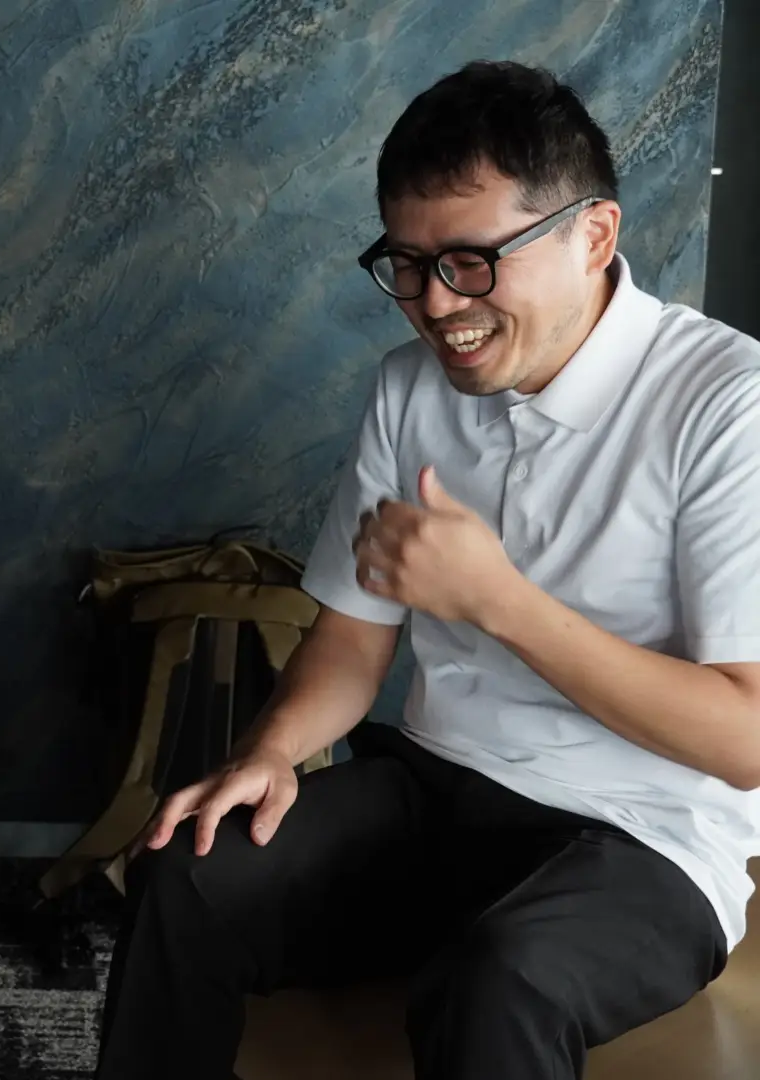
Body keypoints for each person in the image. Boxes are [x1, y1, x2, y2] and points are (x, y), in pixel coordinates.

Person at [96, 59, 760, 1080]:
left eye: (470, 261)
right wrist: (271, 750)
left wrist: (498, 602)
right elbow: (352, 638)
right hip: (438, 789)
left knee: (499, 978)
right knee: (188, 869)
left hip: (647, 842)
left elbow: (745, 741)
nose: (434, 304)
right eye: (405, 264)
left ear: (593, 236)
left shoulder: (728, 404)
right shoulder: (410, 388)